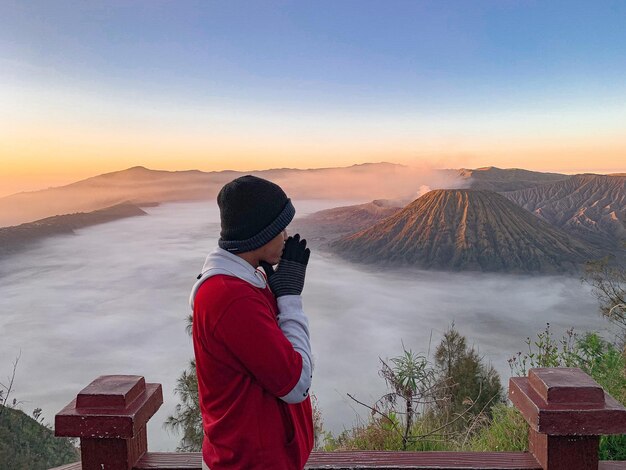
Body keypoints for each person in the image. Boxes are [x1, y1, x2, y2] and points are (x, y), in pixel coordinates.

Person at [189, 175, 314, 470]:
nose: (286, 236)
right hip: (250, 462)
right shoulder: (232, 298)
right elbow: (297, 383)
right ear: (260, 233)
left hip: (254, 456)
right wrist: (290, 300)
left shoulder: (245, 279)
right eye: (280, 228)